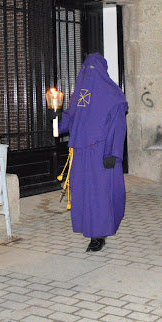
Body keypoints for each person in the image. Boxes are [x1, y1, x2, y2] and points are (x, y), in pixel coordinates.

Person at [56, 53, 128, 252]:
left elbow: (118, 126)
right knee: (84, 193)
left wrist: (112, 153)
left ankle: (99, 235)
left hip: (101, 153)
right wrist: (56, 119)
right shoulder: (79, 94)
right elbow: (71, 117)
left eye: (93, 69)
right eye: (85, 69)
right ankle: (88, 228)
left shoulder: (113, 96)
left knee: (100, 195)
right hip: (80, 153)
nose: (88, 74)